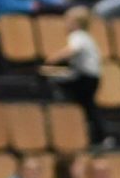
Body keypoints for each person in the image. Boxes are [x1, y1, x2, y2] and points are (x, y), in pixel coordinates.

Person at [42, 10, 105, 142]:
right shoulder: (87, 37)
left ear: (76, 24)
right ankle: (99, 136)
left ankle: (60, 110)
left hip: (84, 77)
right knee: (88, 106)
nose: (65, 24)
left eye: (68, 21)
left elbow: (72, 49)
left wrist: (52, 60)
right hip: (93, 76)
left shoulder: (78, 35)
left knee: (53, 81)